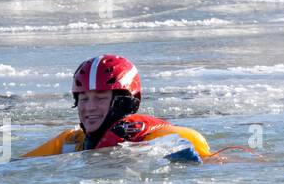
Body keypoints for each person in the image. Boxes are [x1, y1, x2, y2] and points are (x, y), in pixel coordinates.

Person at [19, 55, 213, 161]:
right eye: (84, 99)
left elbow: (204, 152)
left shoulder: (156, 138)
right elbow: (18, 167)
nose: (90, 108)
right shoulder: (70, 142)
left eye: (100, 98)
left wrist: (189, 164)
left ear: (125, 102)